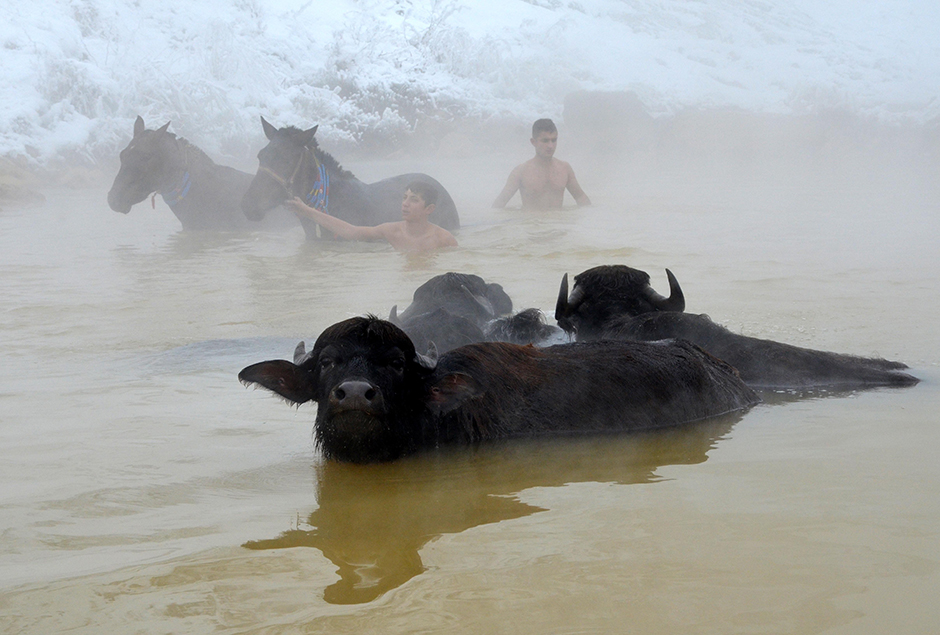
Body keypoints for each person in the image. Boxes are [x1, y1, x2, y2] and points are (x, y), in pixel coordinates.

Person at [285, 181, 458, 253]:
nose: (405, 204)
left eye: (413, 200)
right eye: (404, 198)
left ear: (429, 208)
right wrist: (307, 211)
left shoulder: (443, 239)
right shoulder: (391, 231)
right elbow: (351, 232)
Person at [492, 118, 591, 210]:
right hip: (532, 226)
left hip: (559, 227)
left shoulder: (564, 168)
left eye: (554, 140)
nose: (550, 146)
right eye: (545, 141)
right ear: (533, 142)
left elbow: (581, 198)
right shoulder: (521, 172)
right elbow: (499, 205)